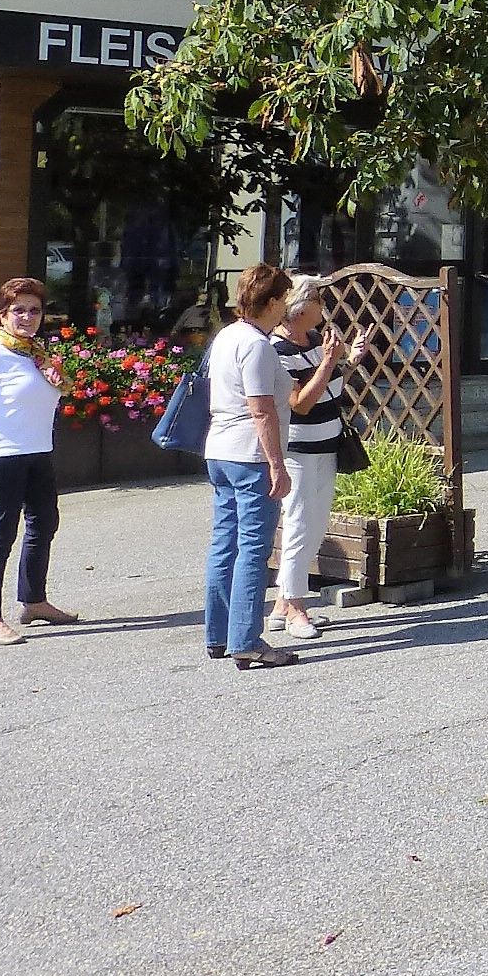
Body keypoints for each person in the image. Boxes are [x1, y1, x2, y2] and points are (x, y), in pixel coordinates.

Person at [0, 278, 79, 646]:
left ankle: (34, 601)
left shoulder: (36, 356)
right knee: (1, 533)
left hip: (37, 451)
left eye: (34, 310)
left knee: (44, 523)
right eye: (18, 310)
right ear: (2, 315)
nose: (27, 317)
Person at [202, 263, 299, 670]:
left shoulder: (227, 335)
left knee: (224, 543)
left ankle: (218, 633)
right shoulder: (257, 345)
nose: (286, 306)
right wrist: (277, 464)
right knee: (253, 549)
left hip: (219, 450)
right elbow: (262, 410)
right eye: (284, 299)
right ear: (272, 302)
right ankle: (245, 639)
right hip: (250, 455)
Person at [270, 278, 375, 641]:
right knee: (299, 524)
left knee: (314, 525)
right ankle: (296, 608)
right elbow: (300, 404)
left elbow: (330, 386)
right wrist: (329, 363)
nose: (324, 306)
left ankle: (282, 604)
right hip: (298, 451)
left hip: (328, 444)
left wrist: (349, 360)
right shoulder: (277, 349)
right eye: (318, 299)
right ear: (299, 307)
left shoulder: (315, 340)